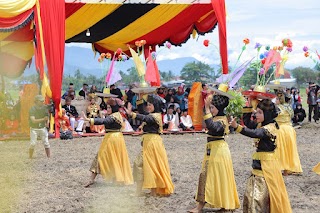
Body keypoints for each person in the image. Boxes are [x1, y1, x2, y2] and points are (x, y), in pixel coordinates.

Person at [230, 98, 292, 213]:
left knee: (260, 199)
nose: (256, 114)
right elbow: (248, 123)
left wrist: (237, 127)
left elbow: (254, 133)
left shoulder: (270, 128)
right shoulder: (263, 124)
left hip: (266, 168)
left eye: (260, 112)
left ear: (267, 114)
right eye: (256, 111)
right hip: (259, 167)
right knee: (253, 197)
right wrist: (247, 107)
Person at [189, 88, 240, 213]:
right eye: (210, 108)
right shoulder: (218, 118)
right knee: (208, 176)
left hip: (219, 152)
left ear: (219, 108)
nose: (210, 110)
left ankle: (222, 206)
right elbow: (209, 123)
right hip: (213, 150)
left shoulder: (222, 121)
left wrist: (206, 109)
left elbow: (212, 127)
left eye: (212, 108)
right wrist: (206, 108)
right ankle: (202, 206)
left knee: (216, 177)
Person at [125, 94, 174, 196]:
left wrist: (132, 114)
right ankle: (144, 191)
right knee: (143, 165)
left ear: (155, 105)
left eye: (150, 105)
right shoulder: (152, 114)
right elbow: (143, 113)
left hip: (153, 143)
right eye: (147, 104)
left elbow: (146, 118)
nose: (148, 106)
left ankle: (151, 192)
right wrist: (139, 100)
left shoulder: (156, 116)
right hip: (149, 143)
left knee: (149, 165)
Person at [83, 104, 133, 187]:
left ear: (113, 108)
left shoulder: (113, 117)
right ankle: (116, 179)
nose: (108, 109)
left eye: (109, 107)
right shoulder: (118, 115)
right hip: (117, 138)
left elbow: (104, 121)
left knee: (100, 157)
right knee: (115, 158)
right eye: (107, 107)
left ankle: (92, 179)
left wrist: (89, 119)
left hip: (111, 139)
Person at [274, 90, 303, 175]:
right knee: (291, 149)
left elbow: (272, 116)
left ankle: (283, 168)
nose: (276, 100)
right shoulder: (289, 107)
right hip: (290, 129)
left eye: (277, 98)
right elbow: (292, 116)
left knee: (281, 149)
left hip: (281, 130)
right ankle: (291, 167)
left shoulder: (278, 108)